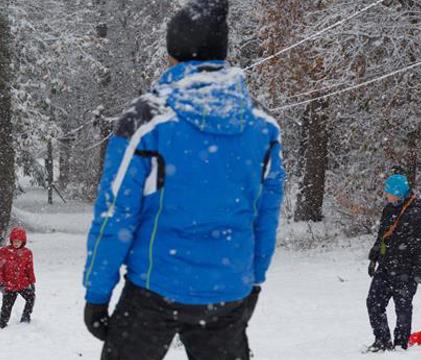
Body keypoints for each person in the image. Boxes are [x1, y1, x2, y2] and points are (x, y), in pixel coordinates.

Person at [81, 1, 286, 358]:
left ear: (173, 54)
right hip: (227, 291)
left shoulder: (147, 120)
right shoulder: (262, 125)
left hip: (154, 290)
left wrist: (97, 295)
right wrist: (253, 281)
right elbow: (265, 216)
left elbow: (115, 214)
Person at [366, 173, 421, 352]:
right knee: (373, 302)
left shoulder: (416, 212)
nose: (386, 195)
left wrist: (419, 272)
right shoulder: (388, 209)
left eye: (388, 192)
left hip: (406, 270)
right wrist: (374, 258)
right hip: (385, 266)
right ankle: (382, 340)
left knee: (402, 309)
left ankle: (401, 345)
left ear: (398, 192)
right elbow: (382, 237)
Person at [0, 227, 37, 328]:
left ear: (23, 241)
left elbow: (29, 269)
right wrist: (0, 283)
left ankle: (25, 317)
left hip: (22, 283)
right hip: (8, 285)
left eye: (19, 241)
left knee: (31, 298)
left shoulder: (27, 253)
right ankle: (2, 324)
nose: (16, 243)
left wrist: (32, 282)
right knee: (6, 306)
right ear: (11, 241)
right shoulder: (4, 252)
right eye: (14, 241)